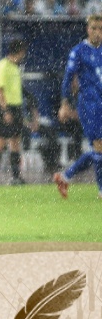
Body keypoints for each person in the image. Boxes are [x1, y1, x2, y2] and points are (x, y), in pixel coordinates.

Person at [53, 13, 102, 199]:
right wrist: (64, 104)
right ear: (88, 29)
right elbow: (68, 79)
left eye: (100, 29)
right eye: (94, 28)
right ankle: (101, 190)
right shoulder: (79, 51)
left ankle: (65, 176)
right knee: (98, 145)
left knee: (98, 149)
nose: (97, 32)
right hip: (89, 104)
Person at [0, 39, 36, 185]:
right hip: (6, 108)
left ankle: (16, 177)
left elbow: (18, 89)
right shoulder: (3, 65)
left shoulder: (16, 67)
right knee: (1, 141)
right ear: (19, 51)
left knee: (15, 141)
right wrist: (5, 111)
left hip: (16, 108)